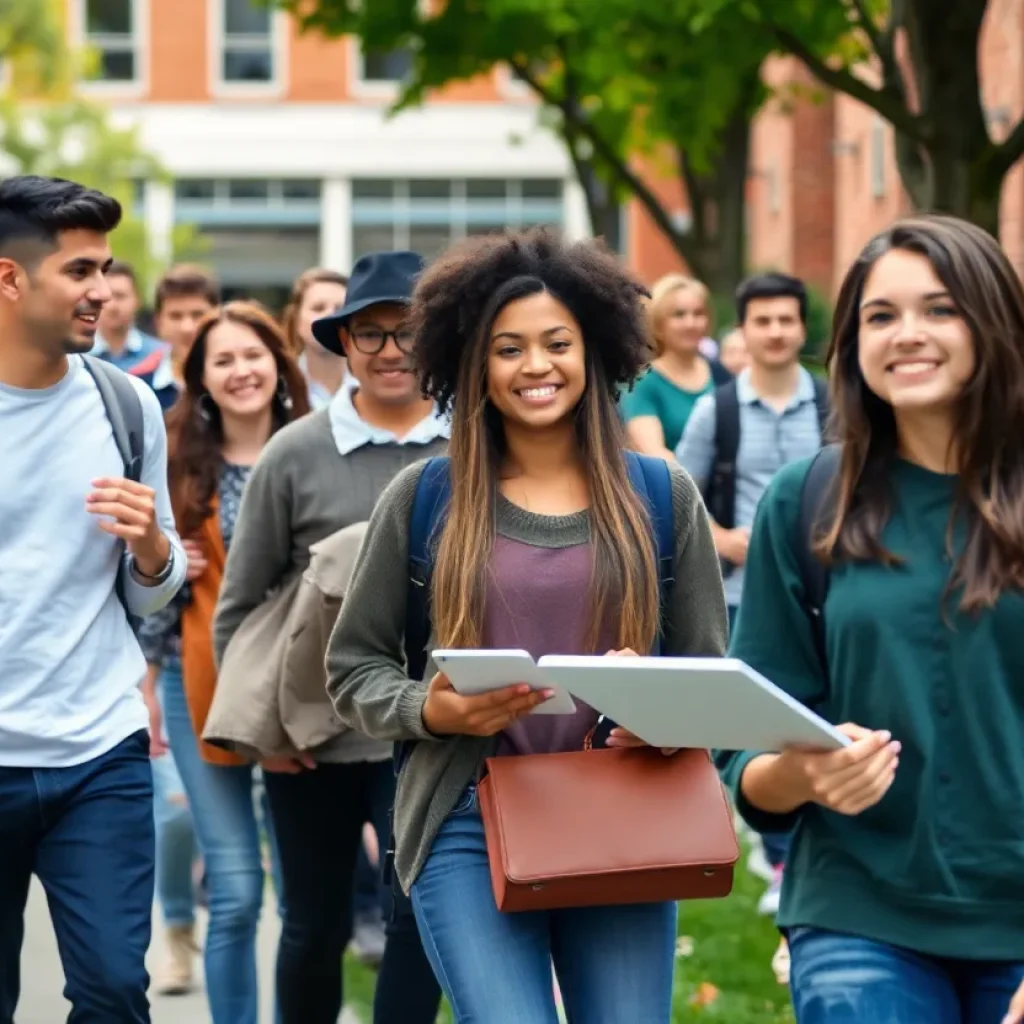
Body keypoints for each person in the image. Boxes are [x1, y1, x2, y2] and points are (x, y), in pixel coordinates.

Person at [325, 228, 728, 1023]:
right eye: (508, 348)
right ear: (472, 363)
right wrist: (432, 709)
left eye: (557, 344)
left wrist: (662, 718)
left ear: (596, 352)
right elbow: (354, 669)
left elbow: (710, 676)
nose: (535, 366)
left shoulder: (661, 495)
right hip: (465, 822)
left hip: (622, 815)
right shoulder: (422, 499)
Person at [717, 215, 1024, 1023]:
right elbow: (746, 761)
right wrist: (807, 773)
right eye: (880, 316)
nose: (907, 335)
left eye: (940, 309)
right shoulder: (805, 501)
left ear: (992, 320)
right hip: (857, 914)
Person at [214, 250, 448, 1024]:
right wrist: (265, 733)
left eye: (407, 332)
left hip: (430, 732)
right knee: (313, 924)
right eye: (369, 334)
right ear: (341, 344)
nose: (389, 351)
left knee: (418, 917)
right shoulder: (294, 452)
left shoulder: (474, 445)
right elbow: (241, 606)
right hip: (310, 740)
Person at [0, 175, 186, 1022]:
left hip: (97, 751)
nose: (104, 293)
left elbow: (155, 594)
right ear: (10, 279)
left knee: (115, 990)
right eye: (79, 271)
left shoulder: (127, 405)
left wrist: (150, 547)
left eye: (105, 269)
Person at [140, 301, 309, 1023]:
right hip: (199, 681)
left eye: (253, 355)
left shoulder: (315, 448)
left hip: (305, 695)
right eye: (223, 360)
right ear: (201, 379)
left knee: (305, 901)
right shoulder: (178, 462)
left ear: (278, 363)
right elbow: (145, 587)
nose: (242, 371)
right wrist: (171, 564)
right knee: (237, 888)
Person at [623, 272, 731, 460]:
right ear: (658, 324)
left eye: (698, 313)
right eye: (679, 315)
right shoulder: (644, 383)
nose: (691, 323)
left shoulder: (721, 374)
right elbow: (653, 453)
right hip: (676, 485)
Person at [134, 264, 220, 409]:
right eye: (175, 316)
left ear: (217, 316)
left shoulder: (235, 378)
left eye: (197, 314)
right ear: (158, 322)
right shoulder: (137, 385)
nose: (187, 328)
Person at [281, 267, 349, 409]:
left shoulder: (375, 384)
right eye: (318, 308)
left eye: (341, 308)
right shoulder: (279, 388)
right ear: (296, 320)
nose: (330, 316)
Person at [94, 259, 167, 375]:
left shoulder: (161, 355)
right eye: (106, 297)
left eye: (120, 296)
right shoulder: (76, 357)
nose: (112, 306)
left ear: (137, 299)